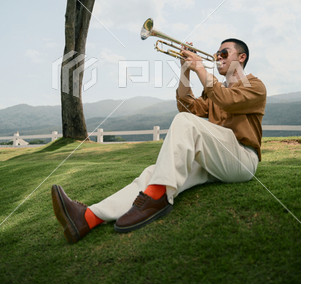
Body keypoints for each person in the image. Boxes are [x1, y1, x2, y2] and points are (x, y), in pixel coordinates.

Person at [51, 38, 266, 243]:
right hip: (215, 161)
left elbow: (226, 101)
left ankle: (157, 199)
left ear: (242, 57)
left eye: (224, 53)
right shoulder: (213, 91)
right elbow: (186, 106)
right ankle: (88, 218)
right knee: (155, 172)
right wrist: (184, 70)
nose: (218, 57)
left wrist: (200, 68)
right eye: (217, 53)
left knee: (185, 122)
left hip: (243, 159)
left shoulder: (255, 86)